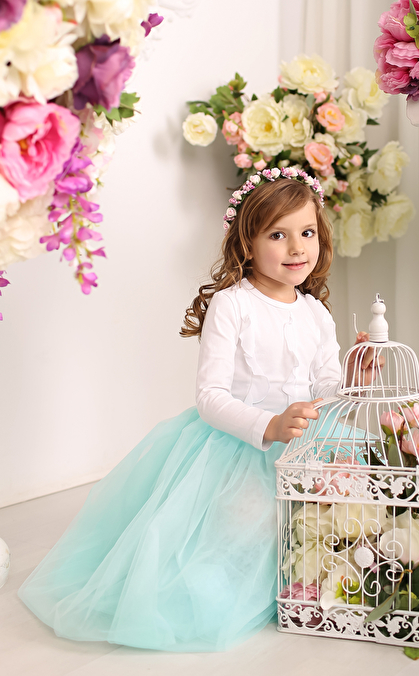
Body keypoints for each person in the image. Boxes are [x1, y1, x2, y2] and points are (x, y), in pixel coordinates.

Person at [19, 167, 378, 652]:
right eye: (278, 235)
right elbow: (210, 397)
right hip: (240, 445)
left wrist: (355, 378)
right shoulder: (233, 306)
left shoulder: (315, 312)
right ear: (247, 243)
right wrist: (269, 425)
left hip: (304, 441)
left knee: (337, 515)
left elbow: (327, 386)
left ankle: (312, 577)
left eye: (307, 233)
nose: (297, 248)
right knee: (242, 528)